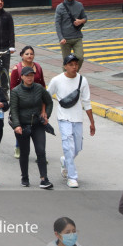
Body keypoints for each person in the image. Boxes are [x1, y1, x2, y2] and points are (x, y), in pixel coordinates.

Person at [47, 54, 95, 189]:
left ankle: (65, 161)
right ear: (65, 66)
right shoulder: (57, 80)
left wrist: (92, 123)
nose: (74, 67)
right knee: (68, 146)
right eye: (71, 65)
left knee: (77, 147)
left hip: (77, 118)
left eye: (76, 64)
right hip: (63, 118)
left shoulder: (82, 80)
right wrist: (44, 112)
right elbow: (46, 96)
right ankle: (72, 177)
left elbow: (87, 102)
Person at [10, 66, 54, 189]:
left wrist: (46, 115)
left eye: (31, 75)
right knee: (24, 152)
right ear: (22, 77)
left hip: (37, 125)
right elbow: (14, 110)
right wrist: (17, 125)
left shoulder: (39, 88)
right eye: (27, 75)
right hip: (22, 126)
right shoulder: (16, 91)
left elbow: (49, 102)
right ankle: (24, 177)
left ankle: (44, 179)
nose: (30, 78)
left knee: (41, 151)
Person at [55, 0, 87, 70]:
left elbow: (85, 18)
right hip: (65, 40)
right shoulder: (59, 7)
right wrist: (61, 38)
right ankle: (65, 78)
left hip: (77, 37)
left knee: (80, 58)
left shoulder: (79, 5)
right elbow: (57, 24)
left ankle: (74, 73)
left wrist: (80, 21)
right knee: (67, 62)